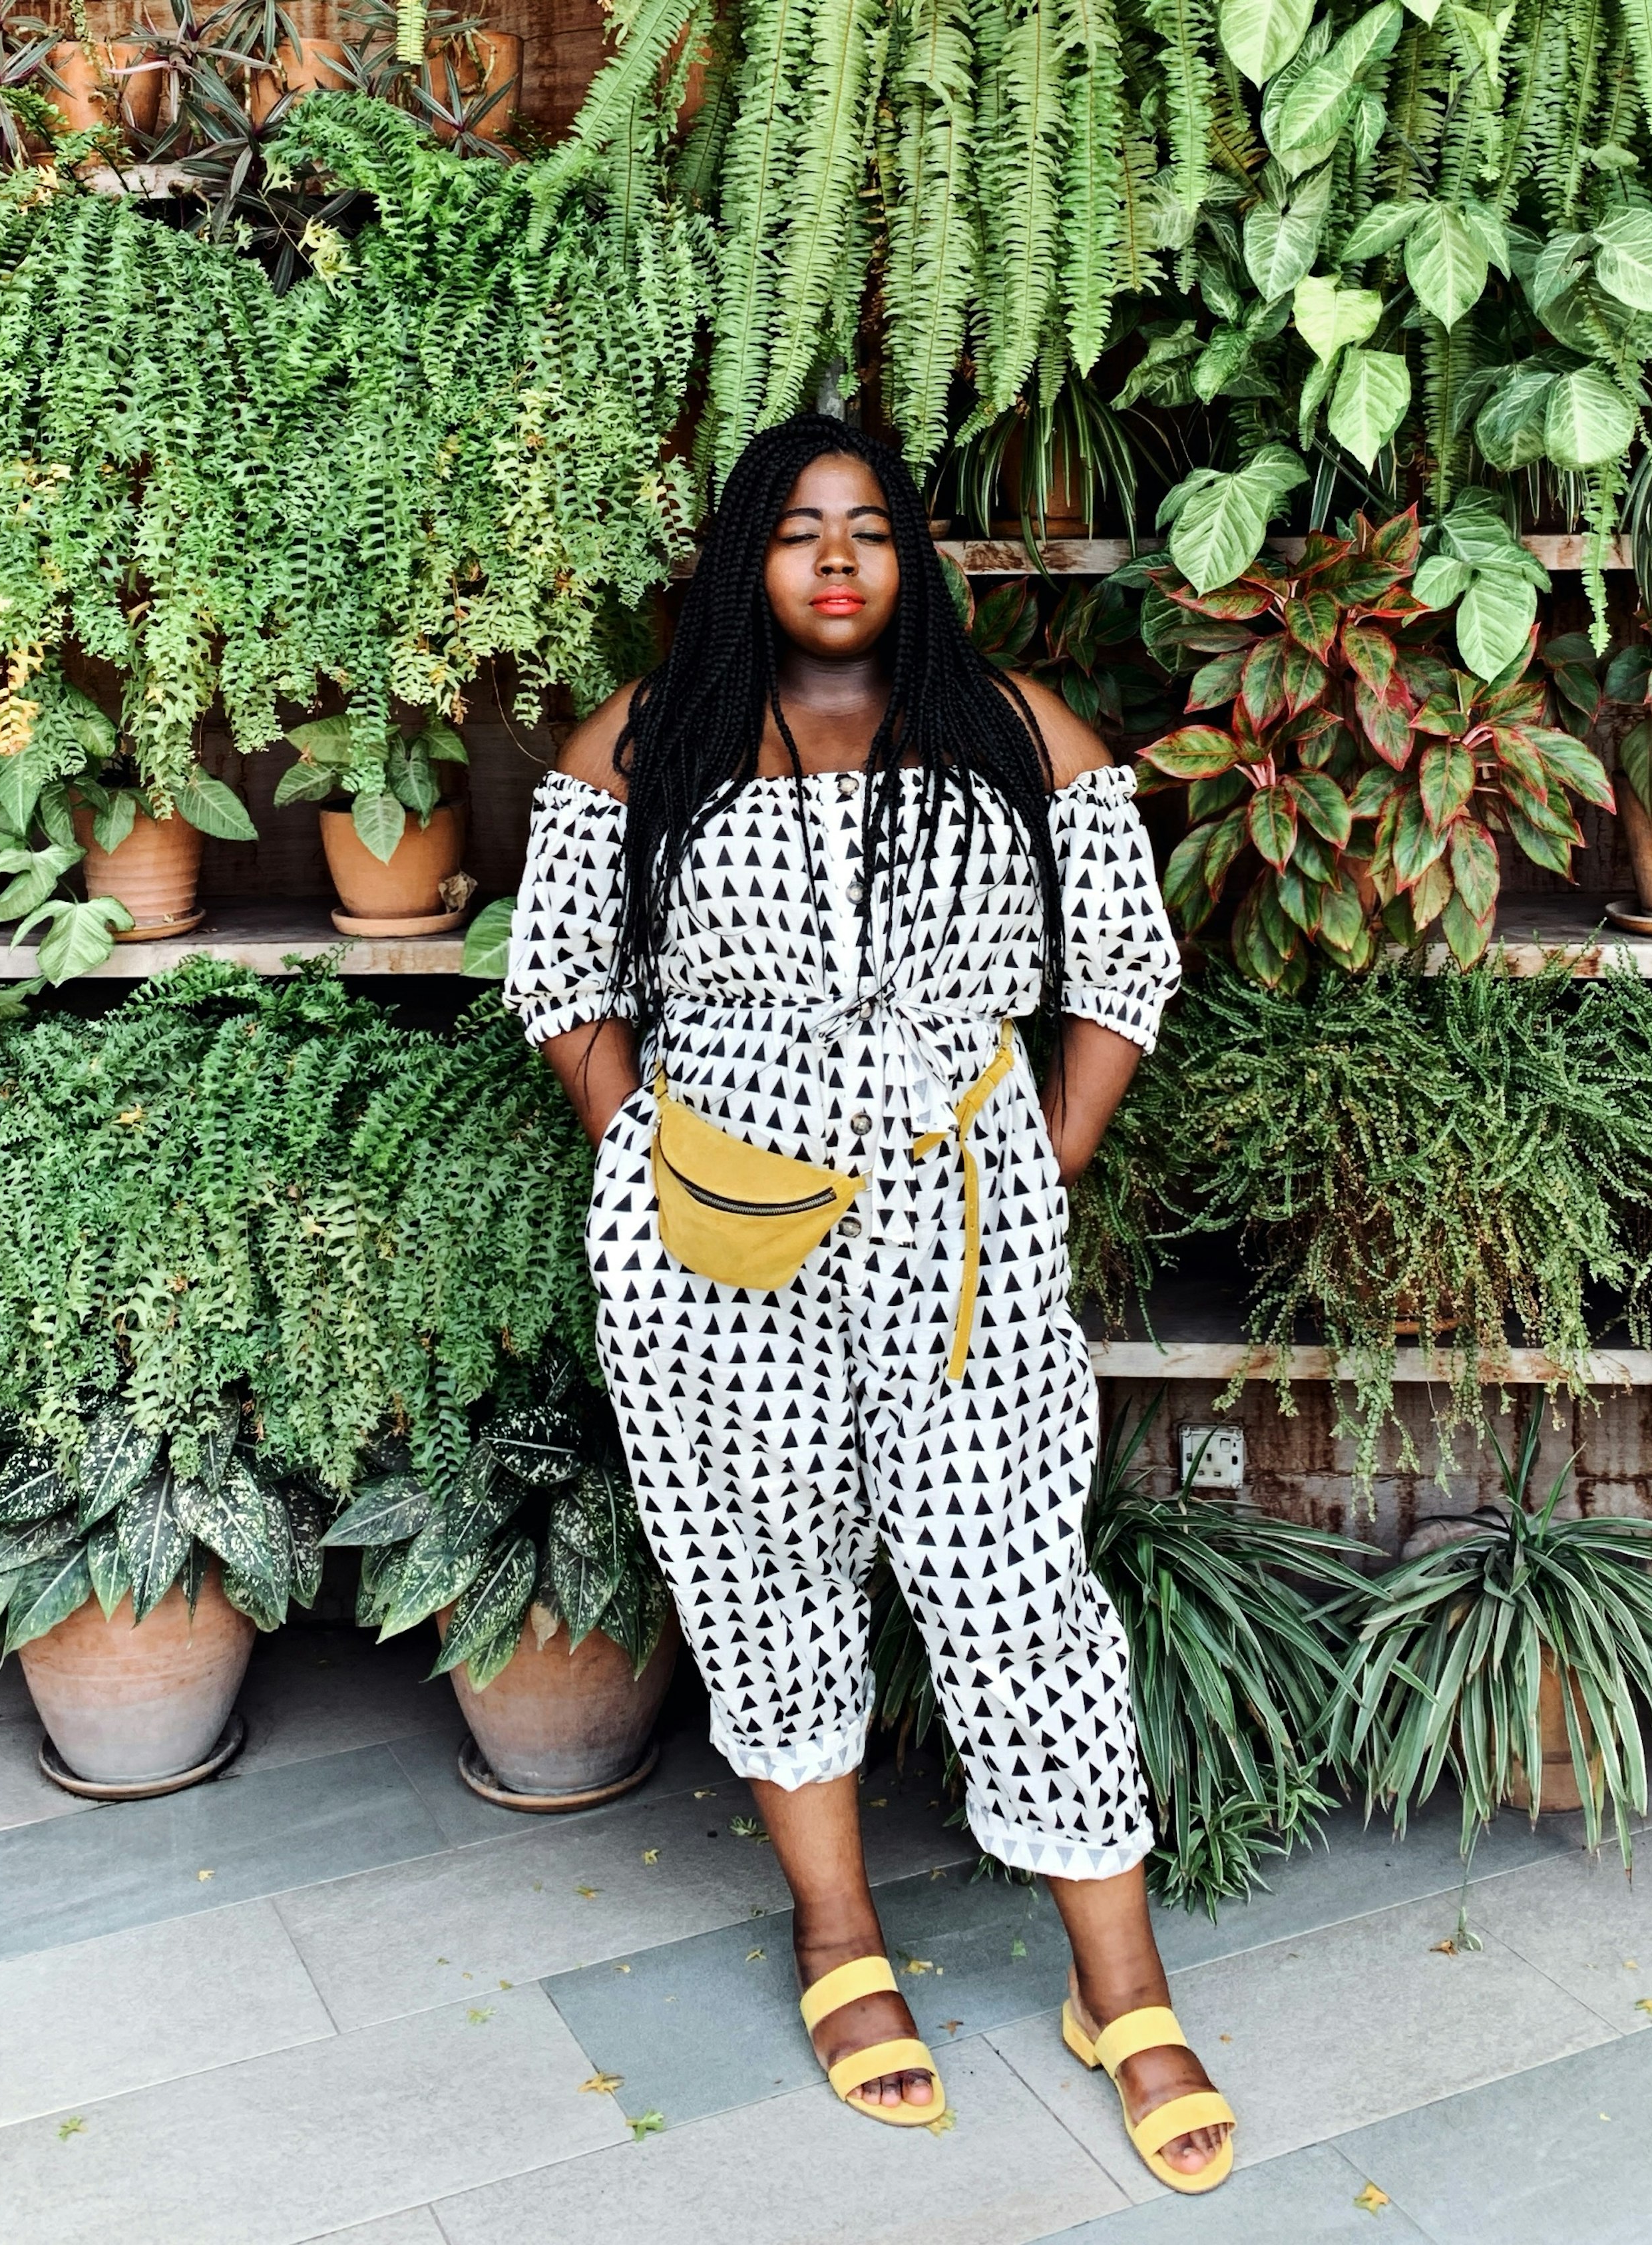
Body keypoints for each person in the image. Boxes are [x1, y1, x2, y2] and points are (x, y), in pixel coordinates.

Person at [503, 415, 1231, 2192]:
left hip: (959, 1221)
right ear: (749, 557)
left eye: (872, 531)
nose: (836, 561)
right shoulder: (652, 738)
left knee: (1008, 1574)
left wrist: (1039, 1153)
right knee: (759, 1564)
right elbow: (558, 974)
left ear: (915, 560)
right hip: (713, 1236)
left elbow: (1126, 963)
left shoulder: (1013, 732)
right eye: (799, 532)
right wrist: (650, 1159)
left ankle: (1116, 1981)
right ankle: (841, 1941)